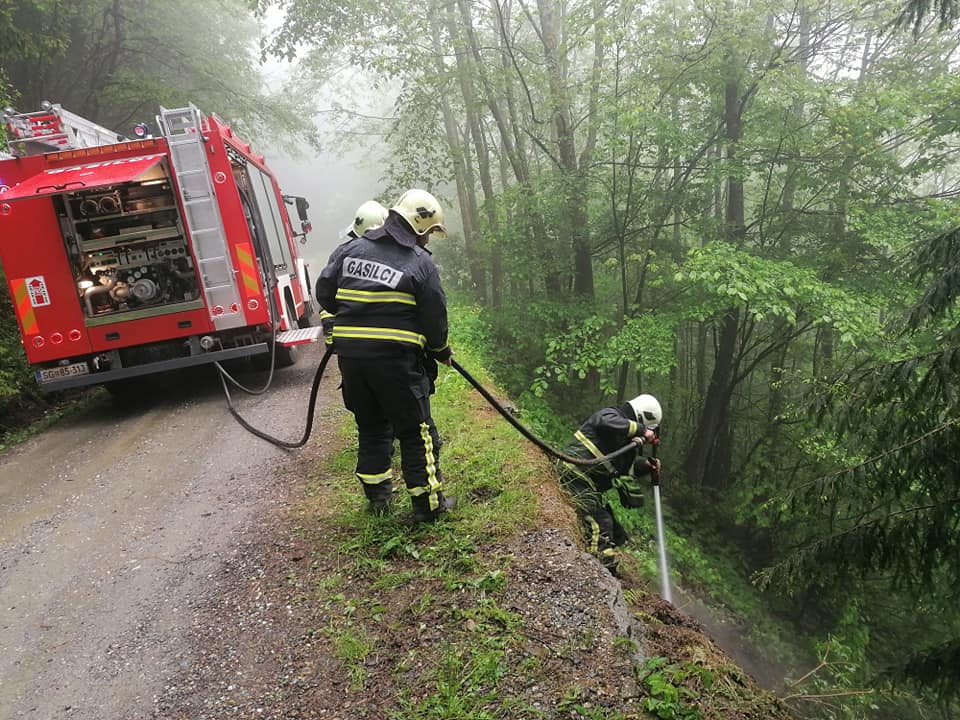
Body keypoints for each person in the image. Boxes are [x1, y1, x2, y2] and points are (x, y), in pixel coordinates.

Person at [315, 189, 455, 522]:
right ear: (418, 226)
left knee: (372, 427)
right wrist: (440, 351)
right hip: (396, 363)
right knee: (416, 432)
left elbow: (325, 293)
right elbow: (434, 318)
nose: (428, 239)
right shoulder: (420, 264)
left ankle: (379, 502)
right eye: (429, 232)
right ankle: (428, 507)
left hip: (352, 361)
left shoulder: (349, 250)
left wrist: (357, 315)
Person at [558, 394, 663, 575]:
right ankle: (596, 572)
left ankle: (608, 570)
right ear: (643, 418)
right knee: (602, 522)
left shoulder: (623, 440)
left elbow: (624, 468)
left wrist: (646, 466)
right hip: (573, 473)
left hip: (585, 483)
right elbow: (604, 421)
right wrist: (641, 430)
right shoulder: (612, 415)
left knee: (617, 533)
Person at [319, 200, 390, 348]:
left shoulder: (341, 253)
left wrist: (331, 334)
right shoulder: (396, 253)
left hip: (349, 342)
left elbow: (325, 293)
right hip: (389, 339)